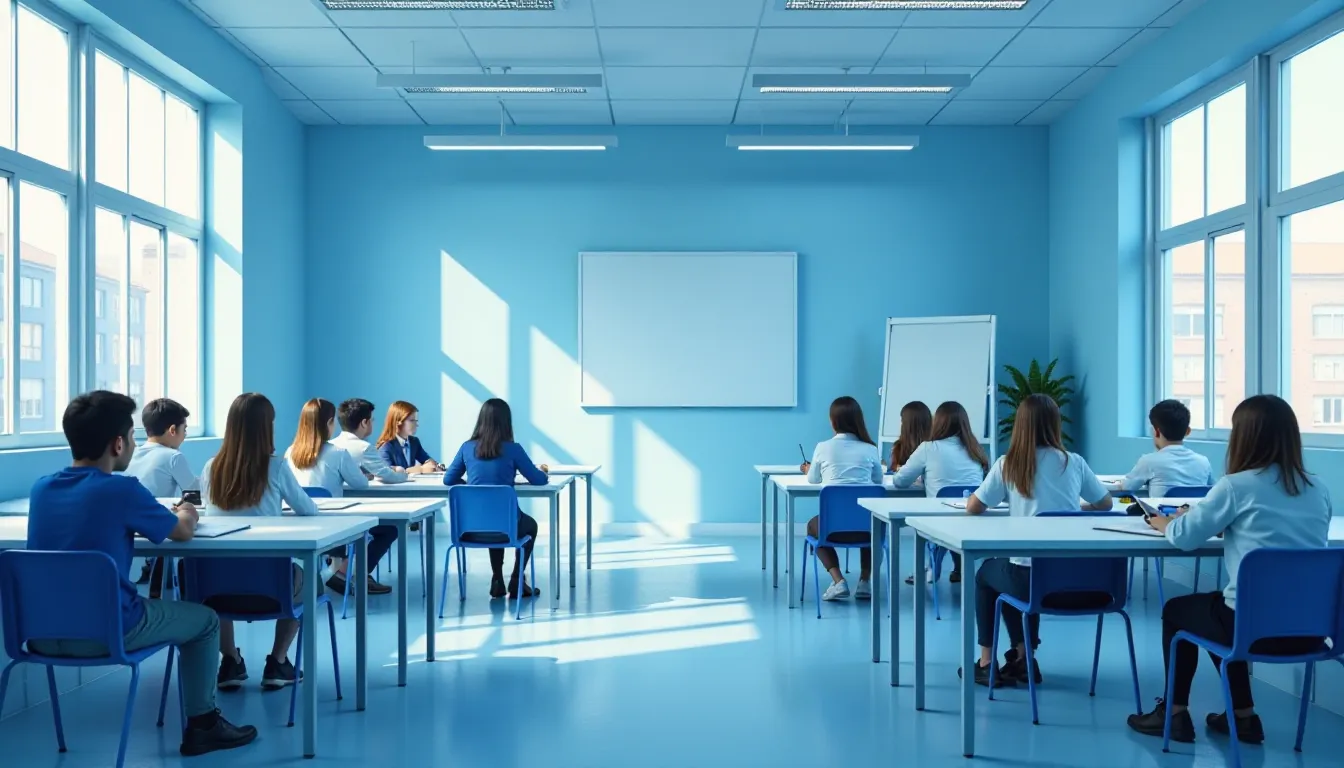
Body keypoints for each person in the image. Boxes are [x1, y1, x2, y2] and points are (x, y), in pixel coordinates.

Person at [26, 391, 256, 757]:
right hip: (108, 631)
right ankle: (204, 725)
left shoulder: (41, 490)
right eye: (132, 437)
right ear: (118, 443)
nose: (134, 444)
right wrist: (188, 512)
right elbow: (180, 532)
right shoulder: (121, 490)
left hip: (38, 634)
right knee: (207, 621)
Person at [1127, 395, 1331, 745]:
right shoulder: (1318, 488)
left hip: (1251, 628)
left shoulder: (1237, 486)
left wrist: (1165, 523)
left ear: (1244, 437)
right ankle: (1243, 717)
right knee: (1223, 608)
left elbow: (1185, 537)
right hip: (1311, 631)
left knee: (1182, 612)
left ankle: (1173, 714)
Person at [964, 394, 1113, 687]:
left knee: (988, 575)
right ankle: (1023, 657)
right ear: (1055, 425)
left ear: (1020, 426)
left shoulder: (1009, 464)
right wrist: (1073, 510)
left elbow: (974, 507)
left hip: (1030, 579)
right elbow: (1106, 503)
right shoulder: (1074, 462)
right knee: (1012, 571)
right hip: (1076, 579)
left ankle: (986, 662)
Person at [200, 393, 320, 692]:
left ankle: (229, 660)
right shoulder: (276, 467)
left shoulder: (211, 468)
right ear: (267, 427)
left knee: (221, 568)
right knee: (311, 579)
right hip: (272, 588)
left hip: (215, 589)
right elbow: (308, 509)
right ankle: (278, 661)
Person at [285, 398, 394, 596]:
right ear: (328, 423)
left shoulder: (290, 452)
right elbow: (361, 484)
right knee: (389, 529)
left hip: (297, 526)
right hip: (333, 527)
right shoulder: (337, 453)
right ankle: (344, 572)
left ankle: (335, 571)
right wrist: (359, 474)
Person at [443, 398, 549, 599]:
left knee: (492, 519)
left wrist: (472, 487)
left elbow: (449, 479)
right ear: (506, 422)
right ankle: (517, 580)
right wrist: (543, 471)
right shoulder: (513, 449)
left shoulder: (467, 447)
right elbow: (538, 480)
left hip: (470, 530)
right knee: (530, 526)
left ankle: (497, 579)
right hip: (505, 527)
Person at [893, 401, 989, 584]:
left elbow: (900, 482)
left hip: (939, 523)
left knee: (926, 521)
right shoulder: (976, 449)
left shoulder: (928, 448)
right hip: (974, 522)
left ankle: (931, 568)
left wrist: (920, 477)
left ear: (938, 423)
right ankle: (957, 568)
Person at [801, 396, 885, 602]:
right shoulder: (870, 449)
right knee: (873, 523)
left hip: (832, 530)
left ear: (833, 421)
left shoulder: (823, 447)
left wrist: (808, 469)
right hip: (865, 530)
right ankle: (865, 581)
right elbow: (878, 480)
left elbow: (813, 479)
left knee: (812, 526)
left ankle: (838, 581)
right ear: (859, 420)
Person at [124, 398, 198, 587]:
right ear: (173, 430)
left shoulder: (131, 456)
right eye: (185, 429)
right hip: (160, 533)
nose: (185, 435)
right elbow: (196, 494)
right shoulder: (173, 456)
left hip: (133, 535)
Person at [1122, 399, 1215, 497]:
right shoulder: (1204, 462)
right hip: (1193, 512)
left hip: (1160, 512)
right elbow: (1213, 491)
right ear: (1187, 431)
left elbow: (1126, 487)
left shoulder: (1148, 462)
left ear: (1156, 432)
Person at [330, 398, 409, 484]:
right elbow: (387, 476)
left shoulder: (330, 444)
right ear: (364, 423)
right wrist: (405, 474)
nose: (373, 423)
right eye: (372, 420)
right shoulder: (364, 448)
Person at [376, 400, 441, 474]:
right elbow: (386, 473)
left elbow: (429, 462)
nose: (417, 424)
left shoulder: (414, 442)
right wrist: (420, 469)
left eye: (416, 420)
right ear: (398, 422)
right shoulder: (386, 447)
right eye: (412, 420)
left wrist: (430, 465)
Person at [888, 401, 932, 472]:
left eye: (902, 421)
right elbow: (892, 472)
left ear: (907, 425)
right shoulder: (898, 447)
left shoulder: (933, 448)